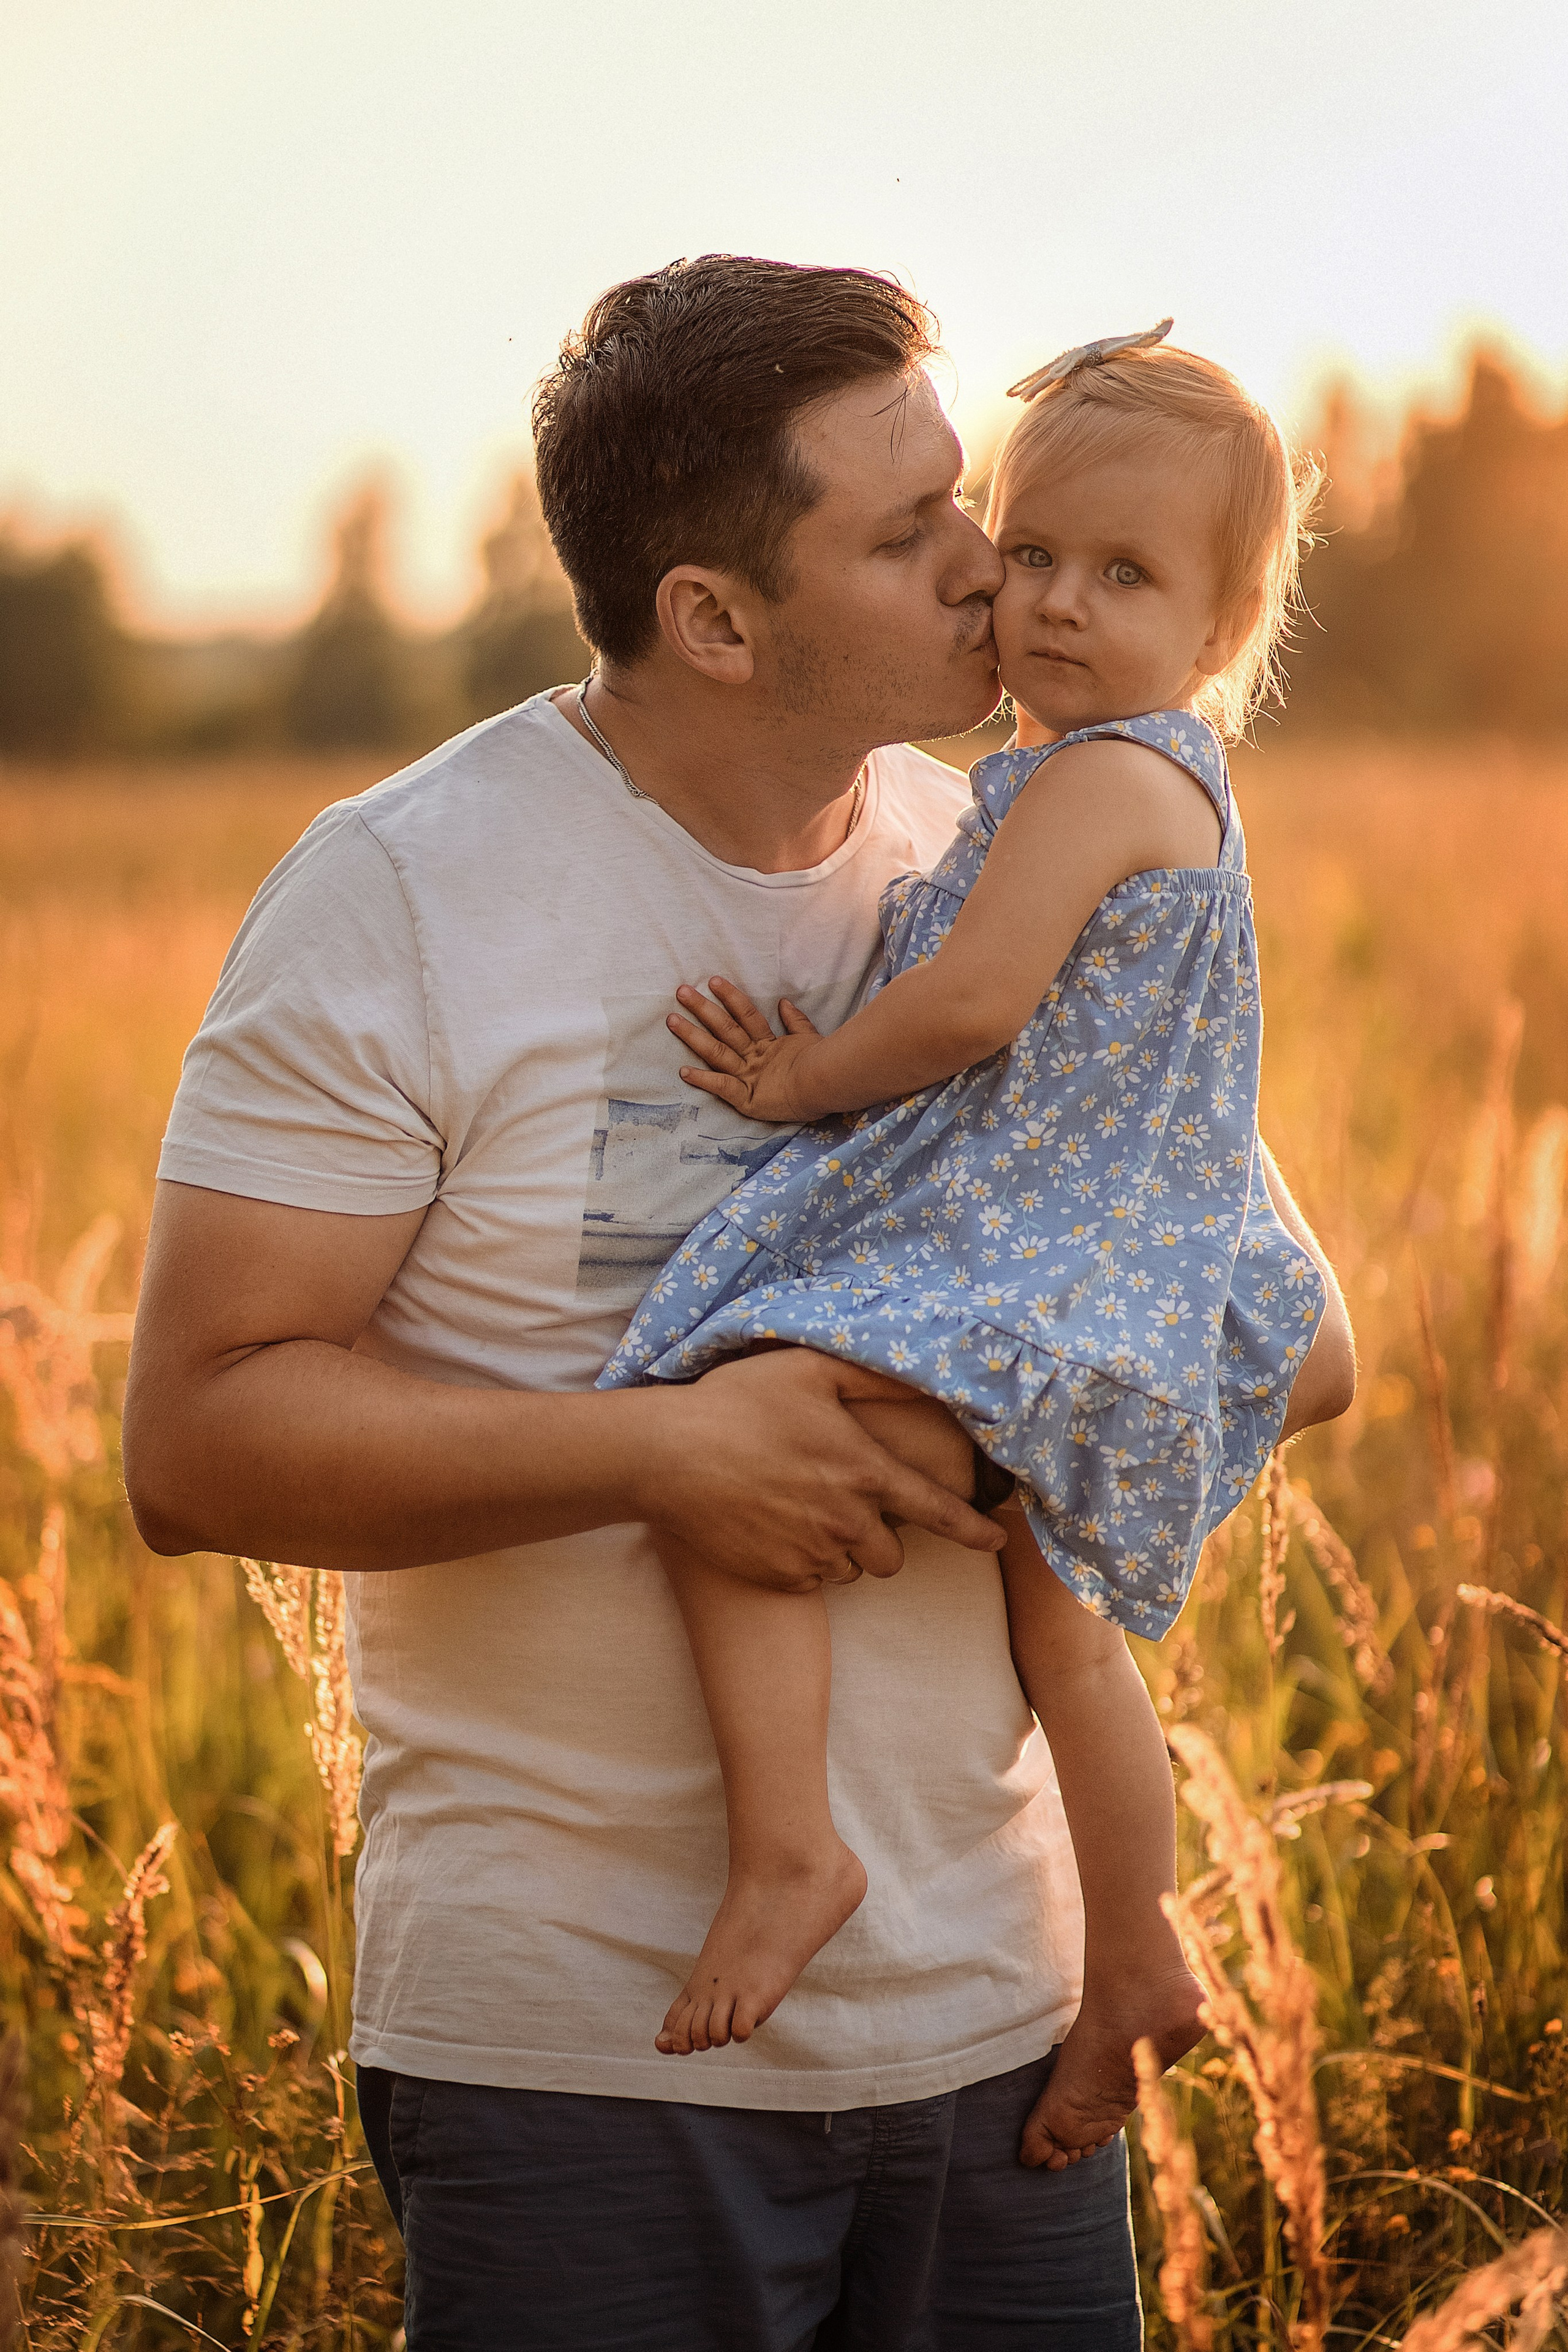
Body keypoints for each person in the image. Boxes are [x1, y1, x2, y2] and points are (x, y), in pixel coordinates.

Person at [122, 258, 1355, 2350]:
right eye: (914, 534)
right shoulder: (402, 894)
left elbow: (1293, 1336)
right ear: (713, 615)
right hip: (594, 2054)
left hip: (1002, 2031)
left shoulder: (998, 843)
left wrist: (986, 1424)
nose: (993, 574)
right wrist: (665, 1448)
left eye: (976, 505)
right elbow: (196, 1440)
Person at [599, 323, 1348, 2170]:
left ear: (1227, 623)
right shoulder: (1091, 777)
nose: (1056, 606)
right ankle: (1140, 1955)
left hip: (1032, 1264)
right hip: (1084, 1267)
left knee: (731, 1424)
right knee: (1066, 1643)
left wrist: (798, 1082)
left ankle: (792, 1848)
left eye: (1127, 575)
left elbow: (973, 1005)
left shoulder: (1100, 786)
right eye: (1030, 555)